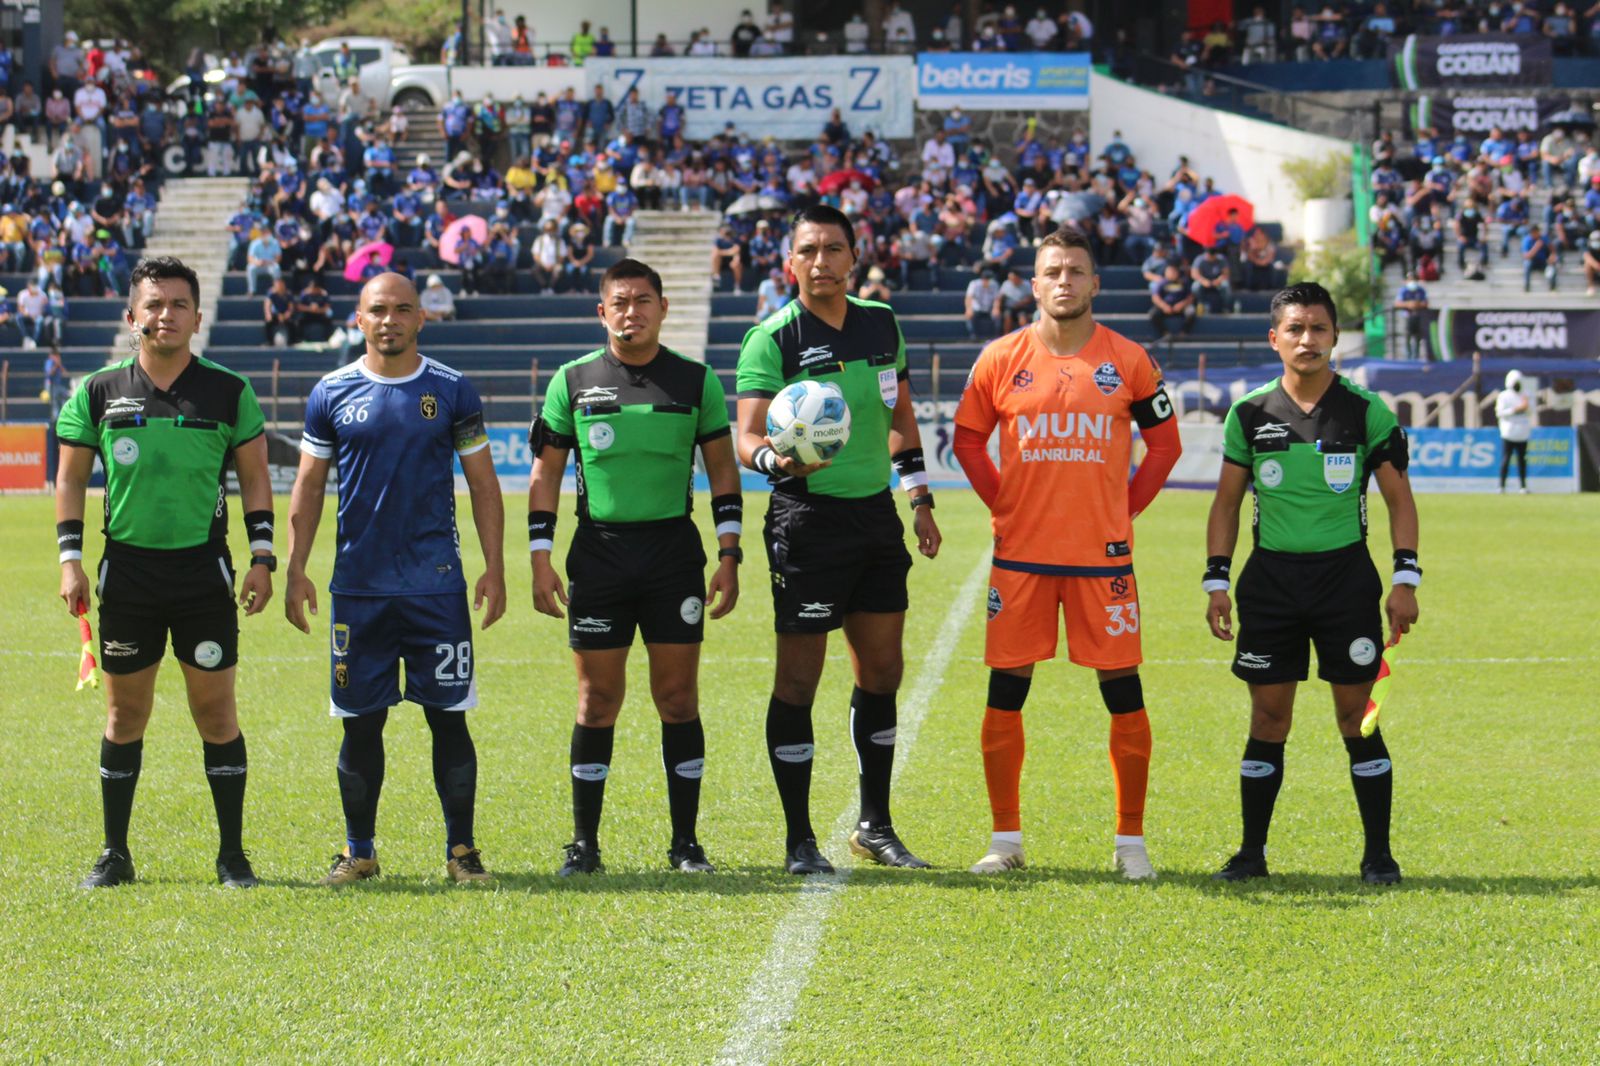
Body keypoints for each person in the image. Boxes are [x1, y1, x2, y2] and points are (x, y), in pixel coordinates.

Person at [951, 228, 1181, 878]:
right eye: (1052, 270)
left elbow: (1165, 446)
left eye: (1075, 271)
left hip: (1101, 561)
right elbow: (968, 441)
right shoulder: (1000, 358)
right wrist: (1003, 504)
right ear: (1033, 283)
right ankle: (1005, 840)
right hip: (1021, 559)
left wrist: (1123, 508)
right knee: (1005, 693)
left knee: (1125, 694)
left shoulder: (1130, 360)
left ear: (1094, 284)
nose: (1063, 282)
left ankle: (1130, 845)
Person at [56, 257, 275, 889]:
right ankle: (114, 854)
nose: (165, 315)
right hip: (126, 575)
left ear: (198, 318)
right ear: (132, 317)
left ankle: (233, 856)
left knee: (217, 714)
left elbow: (256, 478)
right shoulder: (97, 391)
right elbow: (70, 480)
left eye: (178, 304)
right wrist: (70, 561)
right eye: (153, 304)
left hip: (203, 574)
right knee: (126, 717)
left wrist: (262, 557)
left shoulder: (228, 390)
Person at [735, 204, 942, 874]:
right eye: (808, 250)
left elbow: (901, 418)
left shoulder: (882, 323)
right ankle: (799, 839)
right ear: (789, 261)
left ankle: (874, 825)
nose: (820, 262)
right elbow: (746, 438)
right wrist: (778, 463)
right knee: (799, 679)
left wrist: (920, 500)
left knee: (882, 671)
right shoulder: (773, 338)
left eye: (833, 249)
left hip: (876, 517)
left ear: (854, 256)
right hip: (807, 519)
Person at [285, 272, 507, 885]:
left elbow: (484, 484)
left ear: (421, 319)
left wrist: (495, 566)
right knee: (360, 723)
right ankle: (360, 852)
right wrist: (296, 568)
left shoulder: (452, 390)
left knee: (449, 717)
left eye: (402, 309)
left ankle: (461, 852)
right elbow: (307, 485)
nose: (390, 320)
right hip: (358, 590)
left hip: (437, 588)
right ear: (359, 319)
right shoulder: (330, 392)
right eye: (378, 310)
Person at [529, 258, 744, 876]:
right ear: (603, 312)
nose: (632, 311)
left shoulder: (696, 381)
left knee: (677, 698)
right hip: (598, 556)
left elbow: (724, 472)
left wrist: (728, 555)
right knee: (597, 700)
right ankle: (584, 844)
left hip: (674, 557)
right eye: (620, 302)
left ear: (663, 307)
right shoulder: (572, 381)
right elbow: (544, 474)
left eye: (643, 300)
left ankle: (685, 843)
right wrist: (540, 559)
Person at [1204, 282, 1419, 886]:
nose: (1307, 339)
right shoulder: (1248, 413)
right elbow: (1225, 505)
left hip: (1346, 582)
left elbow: (1400, 500)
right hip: (1269, 584)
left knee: (1358, 717)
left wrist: (1405, 578)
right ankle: (1251, 855)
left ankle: (1378, 857)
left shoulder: (1366, 411)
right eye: (1295, 329)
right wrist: (1215, 581)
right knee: (1268, 719)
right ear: (1275, 339)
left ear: (1334, 337)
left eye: (1318, 328)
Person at [1496, 369, 1533, 494]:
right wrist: (1516, 409)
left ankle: (1523, 486)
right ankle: (1502, 486)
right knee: (1506, 458)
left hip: (1523, 433)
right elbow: (1500, 413)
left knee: (1522, 460)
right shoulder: (1504, 396)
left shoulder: (1525, 394)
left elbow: (1530, 411)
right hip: (1509, 432)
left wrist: (1526, 405)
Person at [1393, 272, 1431, 361]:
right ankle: (1408, 357)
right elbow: (1397, 303)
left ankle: (1416, 356)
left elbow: (1425, 303)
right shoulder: (1403, 290)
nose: (1412, 281)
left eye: (1414, 279)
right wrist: (1408, 304)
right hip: (1407, 316)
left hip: (1418, 316)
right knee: (1407, 337)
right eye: (1410, 279)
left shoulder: (1421, 290)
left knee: (1417, 337)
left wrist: (1417, 305)